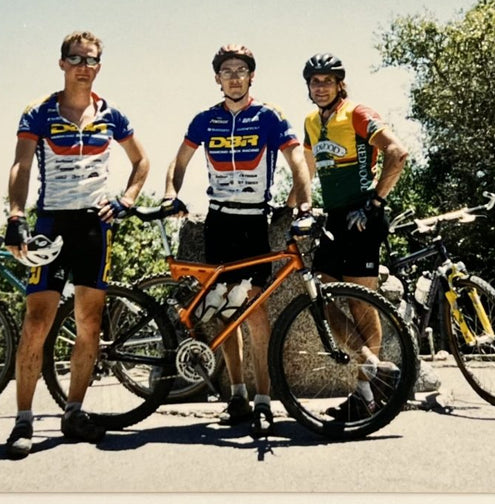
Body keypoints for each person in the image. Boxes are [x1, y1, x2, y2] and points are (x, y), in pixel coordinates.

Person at [3, 30, 150, 459]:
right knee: (36, 322)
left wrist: (125, 201)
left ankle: (74, 412)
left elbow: (141, 162)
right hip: (52, 223)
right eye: (77, 58)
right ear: (62, 63)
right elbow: (21, 164)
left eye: (92, 60)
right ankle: (23, 421)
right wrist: (16, 215)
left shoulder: (112, 115)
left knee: (89, 324)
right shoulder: (40, 113)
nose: (85, 66)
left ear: (99, 66)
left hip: (94, 226)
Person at [162, 44, 312, 437]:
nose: (233, 76)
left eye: (240, 70)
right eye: (226, 70)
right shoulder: (205, 119)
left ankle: (264, 399)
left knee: (255, 310)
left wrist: (304, 201)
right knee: (226, 311)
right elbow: (178, 162)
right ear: (217, 78)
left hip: (253, 223)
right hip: (218, 221)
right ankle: (238, 395)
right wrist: (169, 192)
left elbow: (297, 159)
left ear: (251, 77)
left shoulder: (269, 117)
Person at [299, 52, 409, 421]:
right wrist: (291, 208)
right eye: (315, 81)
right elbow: (307, 172)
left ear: (340, 84)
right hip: (333, 218)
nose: (321, 86)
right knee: (323, 298)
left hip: (362, 216)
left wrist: (376, 202)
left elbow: (397, 152)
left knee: (362, 303)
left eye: (327, 80)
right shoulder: (312, 122)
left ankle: (365, 393)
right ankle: (375, 369)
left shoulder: (358, 113)